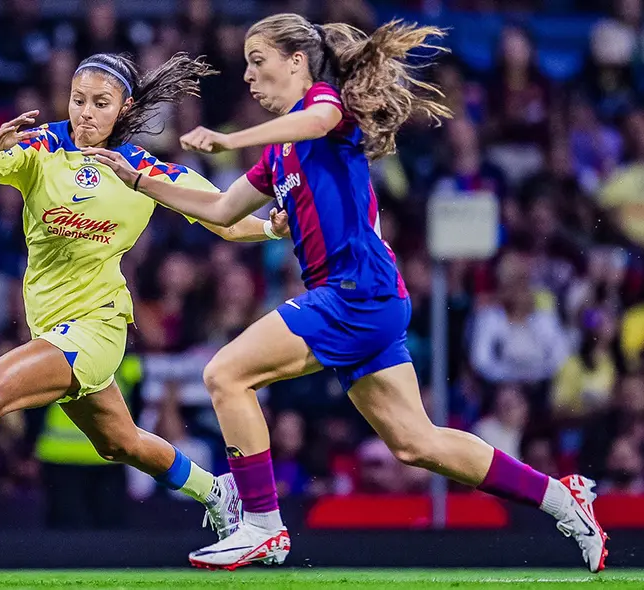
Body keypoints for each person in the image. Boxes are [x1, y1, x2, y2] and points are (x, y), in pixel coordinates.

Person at [87, 14, 609, 572]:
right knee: (415, 443)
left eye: (257, 61)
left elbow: (319, 120)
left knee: (225, 375)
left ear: (297, 62)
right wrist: (138, 180)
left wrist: (228, 139)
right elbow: (219, 209)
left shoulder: (325, 106)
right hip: (368, 300)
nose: (247, 76)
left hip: (354, 293)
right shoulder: (278, 155)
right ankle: (561, 497)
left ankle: (261, 525)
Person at [0, 51, 289, 571]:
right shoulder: (41, 147)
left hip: (98, 327)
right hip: (51, 327)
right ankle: (217, 492)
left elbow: (224, 218)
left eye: (100, 103)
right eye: (78, 100)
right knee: (121, 443)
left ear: (124, 108)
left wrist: (270, 227)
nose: (85, 112)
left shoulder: (144, 171)